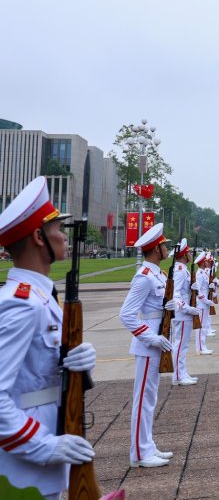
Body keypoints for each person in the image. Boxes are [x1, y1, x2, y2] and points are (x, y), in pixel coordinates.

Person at [0, 177, 99, 498]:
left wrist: (71, 360)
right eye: (57, 229)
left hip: (51, 433)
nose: (64, 238)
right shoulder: (21, 303)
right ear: (38, 237)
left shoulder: (41, 298)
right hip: (26, 459)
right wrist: (43, 446)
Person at [119, 223, 175, 468]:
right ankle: (140, 453)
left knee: (150, 398)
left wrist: (170, 306)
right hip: (148, 342)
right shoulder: (143, 277)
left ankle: (147, 446)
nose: (167, 248)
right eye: (164, 245)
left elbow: (156, 305)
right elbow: (127, 314)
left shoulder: (158, 274)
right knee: (143, 399)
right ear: (155, 250)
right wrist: (150, 338)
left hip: (159, 337)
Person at [170, 239, 199, 386]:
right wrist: (187, 308)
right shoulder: (180, 271)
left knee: (183, 345)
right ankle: (177, 376)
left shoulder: (182, 268)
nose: (189, 254)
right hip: (182, 314)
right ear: (183, 254)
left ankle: (182, 372)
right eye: (188, 252)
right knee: (180, 345)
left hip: (184, 314)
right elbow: (175, 295)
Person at [193, 252, 213, 355]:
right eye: (205, 260)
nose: (207, 262)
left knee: (204, 326)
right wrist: (206, 300)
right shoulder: (199, 274)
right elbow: (198, 291)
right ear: (202, 262)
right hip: (201, 303)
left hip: (204, 303)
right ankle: (200, 348)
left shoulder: (203, 272)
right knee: (201, 327)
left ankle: (203, 346)